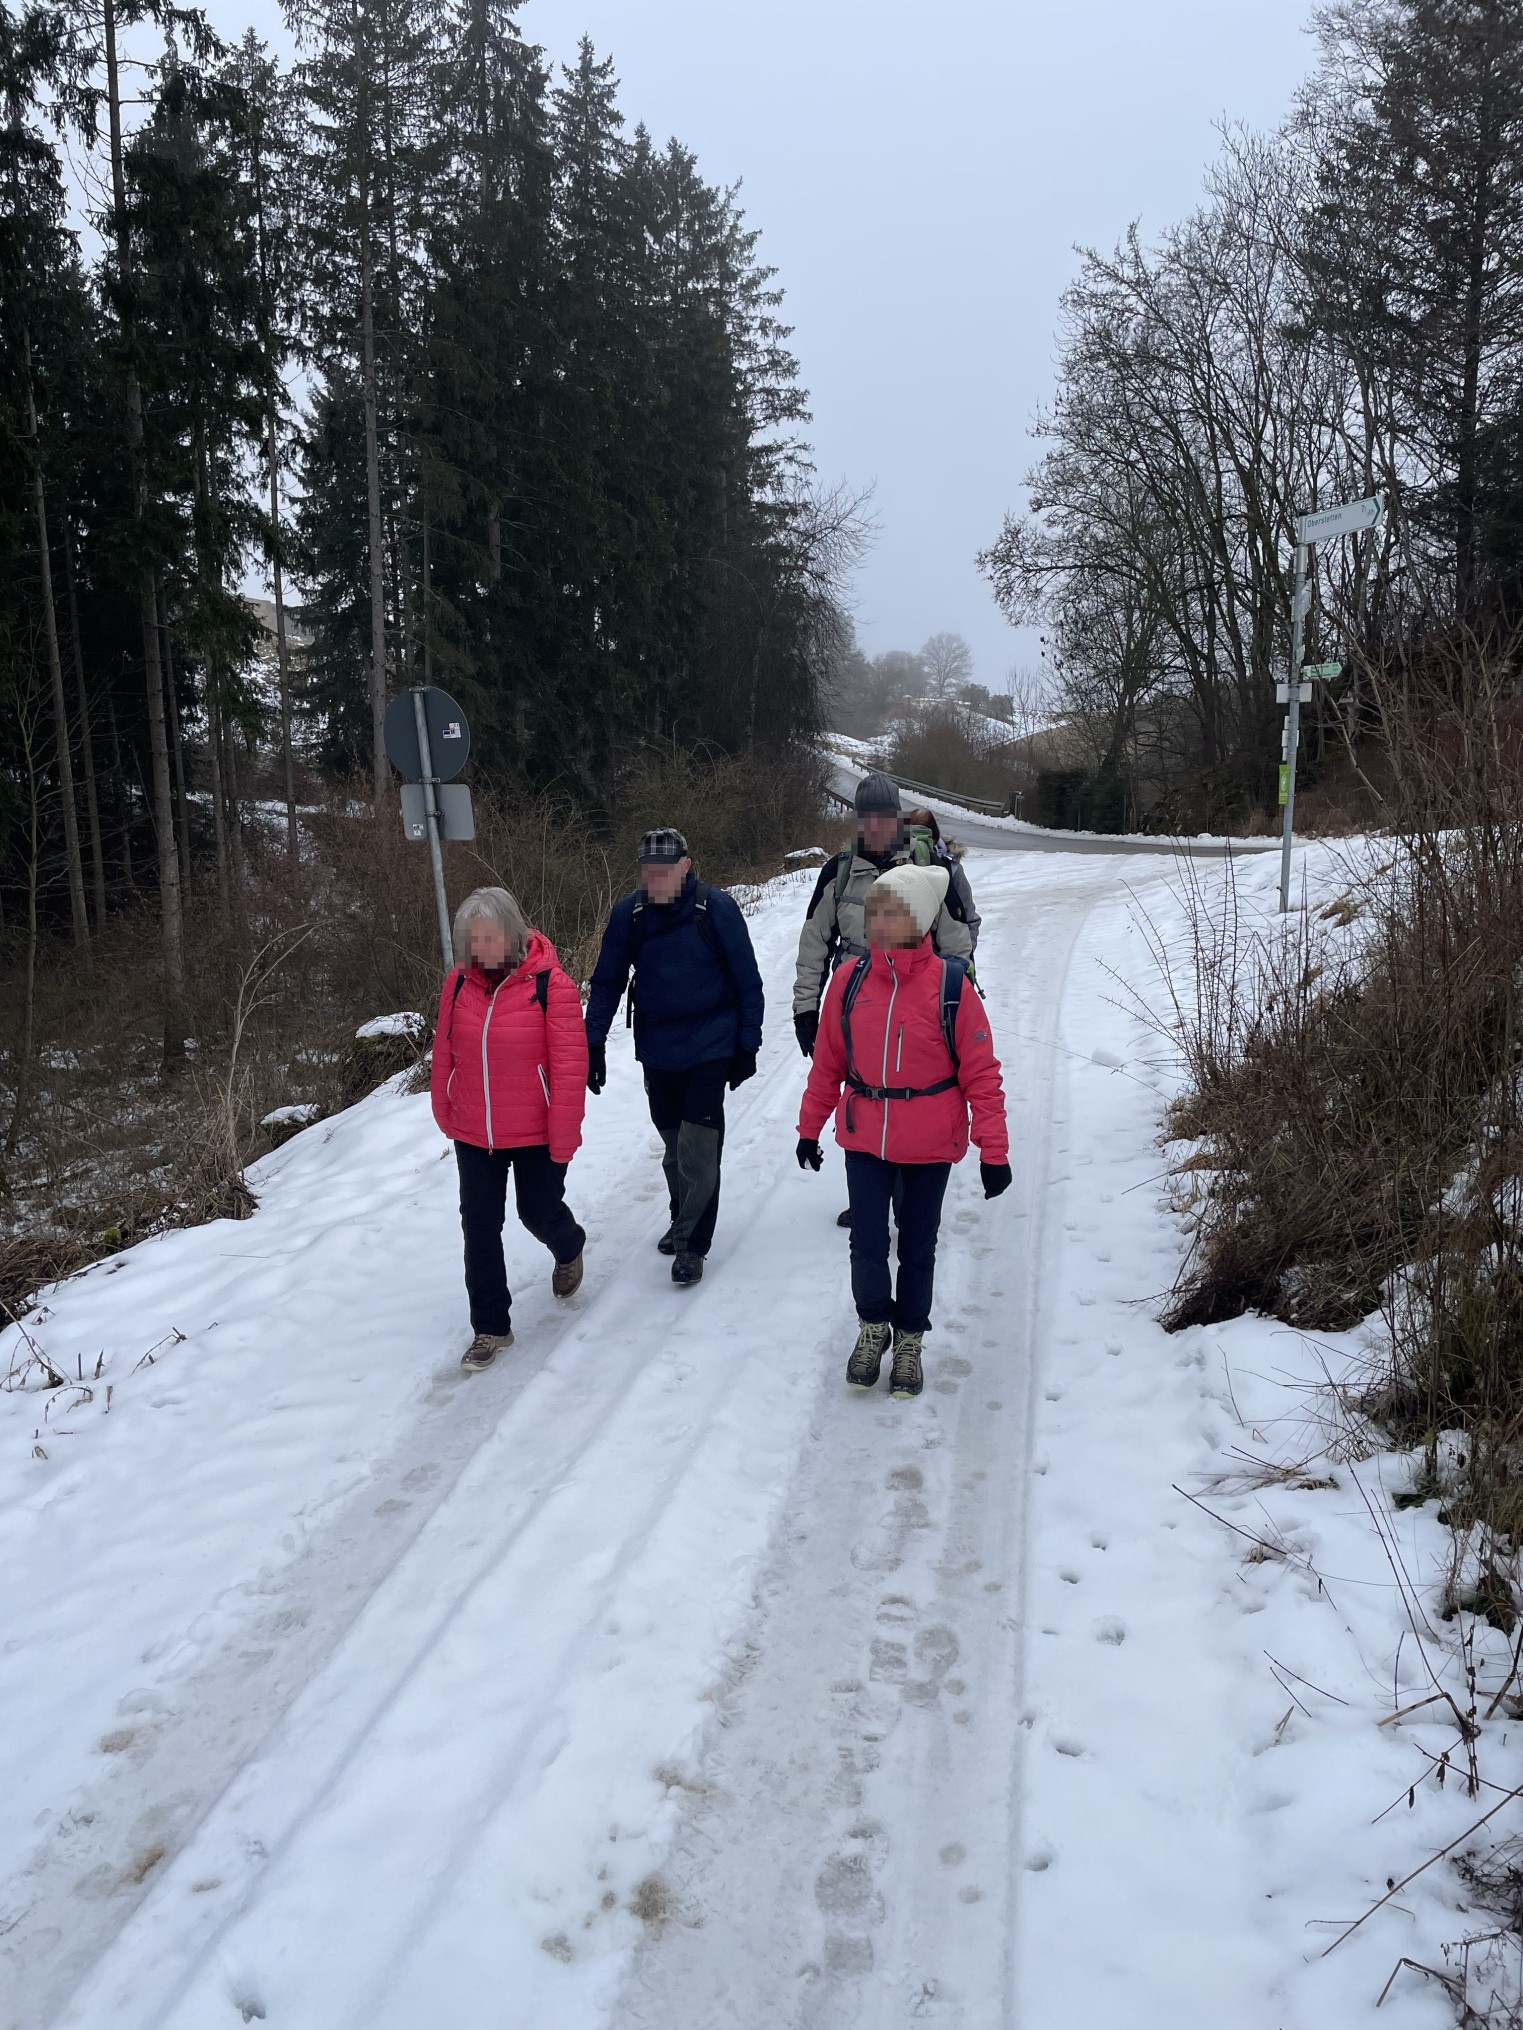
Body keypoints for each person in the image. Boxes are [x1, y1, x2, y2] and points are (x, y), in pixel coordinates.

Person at [796, 862, 1012, 1399]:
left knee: (917, 1246)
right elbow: (828, 1063)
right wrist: (809, 1128)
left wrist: (994, 1151)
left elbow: (982, 1075)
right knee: (867, 1243)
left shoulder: (953, 987)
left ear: (918, 921)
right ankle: (873, 1327)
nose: (876, 921)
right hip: (865, 1135)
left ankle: (910, 1339)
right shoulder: (848, 981)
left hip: (930, 1142)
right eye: (874, 910)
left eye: (889, 912)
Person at [793, 770, 981, 1225]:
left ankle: (905, 1196)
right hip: (856, 1004)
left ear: (897, 819)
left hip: (918, 1001)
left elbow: (957, 942)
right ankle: (870, 1196)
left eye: (884, 817)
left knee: (908, 1094)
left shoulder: (928, 870)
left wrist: (952, 999)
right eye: (867, 818)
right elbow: (814, 943)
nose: (875, 826)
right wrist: (806, 1008)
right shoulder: (838, 873)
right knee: (863, 1090)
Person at [584, 828, 765, 1287]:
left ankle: (691, 1245)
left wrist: (748, 1043)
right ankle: (682, 1215)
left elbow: (748, 980)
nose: (656, 880)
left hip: (711, 1042)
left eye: (664, 871)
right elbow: (606, 981)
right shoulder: (629, 915)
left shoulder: (715, 908)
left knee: (698, 1148)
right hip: (658, 1046)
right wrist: (593, 1042)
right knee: (674, 1146)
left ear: (686, 866)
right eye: (648, 872)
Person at [431, 886, 589, 1372]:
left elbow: (569, 1070)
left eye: (490, 937)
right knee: (479, 1225)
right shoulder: (458, 984)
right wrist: (445, 1107)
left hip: (536, 1129)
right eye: (473, 939)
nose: (481, 948)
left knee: (537, 1212)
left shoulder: (551, 986)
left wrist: (564, 1136)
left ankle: (569, 1245)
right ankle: (491, 1328)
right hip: (475, 1130)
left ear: (513, 933)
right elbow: (445, 1051)